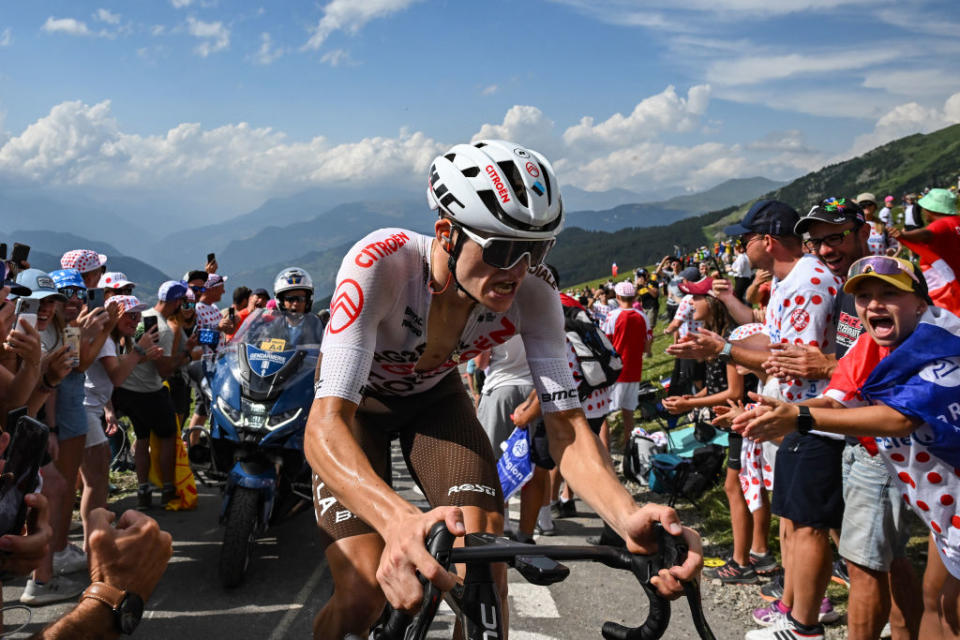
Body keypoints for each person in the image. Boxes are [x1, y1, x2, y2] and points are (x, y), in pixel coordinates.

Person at [305, 139, 701, 639]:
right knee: (362, 591)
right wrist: (397, 521)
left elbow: (568, 429)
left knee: (486, 576)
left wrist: (627, 515)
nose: (517, 270)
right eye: (502, 248)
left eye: (537, 250)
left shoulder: (534, 297)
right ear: (446, 233)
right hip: (355, 409)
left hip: (434, 402)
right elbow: (324, 427)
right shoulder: (383, 263)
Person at [734, 255, 960, 640]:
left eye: (890, 293)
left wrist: (799, 418)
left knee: (950, 612)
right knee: (936, 601)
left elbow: (898, 418)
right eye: (864, 296)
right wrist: (779, 412)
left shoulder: (942, 342)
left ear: (921, 303)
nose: (873, 304)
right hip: (943, 514)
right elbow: (839, 399)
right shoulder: (870, 343)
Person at [668, 199, 842, 640]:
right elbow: (776, 340)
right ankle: (794, 607)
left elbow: (792, 362)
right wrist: (724, 343)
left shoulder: (808, 281)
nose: (742, 248)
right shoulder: (787, 281)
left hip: (810, 418)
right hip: (788, 416)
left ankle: (807, 618)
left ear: (768, 240)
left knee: (808, 525)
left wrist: (723, 350)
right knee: (790, 518)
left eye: (746, 239)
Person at [763, 198, 923, 640]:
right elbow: (850, 375)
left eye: (835, 236)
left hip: (883, 443)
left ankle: (807, 625)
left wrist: (810, 393)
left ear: (862, 229)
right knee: (884, 556)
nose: (826, 249)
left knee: (865, 560)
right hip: (861, 436)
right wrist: (791, 413)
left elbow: (892, 393)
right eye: (817, 242)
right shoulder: (849, 293)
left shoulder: (894, 291)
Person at [112, 282, 195, 509]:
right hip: (150, 391)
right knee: (167, 436)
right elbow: (164, 370)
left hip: (127, 389)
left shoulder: (141, 317)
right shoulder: (165, 329)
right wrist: (187, 355)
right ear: (177, 302)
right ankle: (168, 488)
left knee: (141, 438)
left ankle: (143, 490)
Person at [890, 187, 960, 315]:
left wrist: (904, 236)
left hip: (946, 288)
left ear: (931, 209)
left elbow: (926, 234)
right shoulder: (957, 221)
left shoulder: (941, 224)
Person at [602, 280, 651, 450]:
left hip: (616, 370)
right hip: (635, 369)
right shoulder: (642, 316)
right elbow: (647, 344)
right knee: (628, 411)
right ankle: (629, 445)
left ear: (617, 296)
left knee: (606, 414)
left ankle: (606, 448)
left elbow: (605, 342)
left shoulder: (612, 316)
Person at [271, 267, 324, 347]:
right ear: (281, 302)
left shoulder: (317, 326)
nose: (295, 303)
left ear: (307, 300)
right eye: (290, 299)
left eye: (300, 299)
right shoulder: (274, 327)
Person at [856, 193, 899, 257]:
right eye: (862, 205)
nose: (866, 206)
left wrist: (892, 250)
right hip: (862, 264)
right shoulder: (855, 226)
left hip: (882, 264)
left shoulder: (883, 225)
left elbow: (894, 245)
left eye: (869, 204)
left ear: (875, 207)